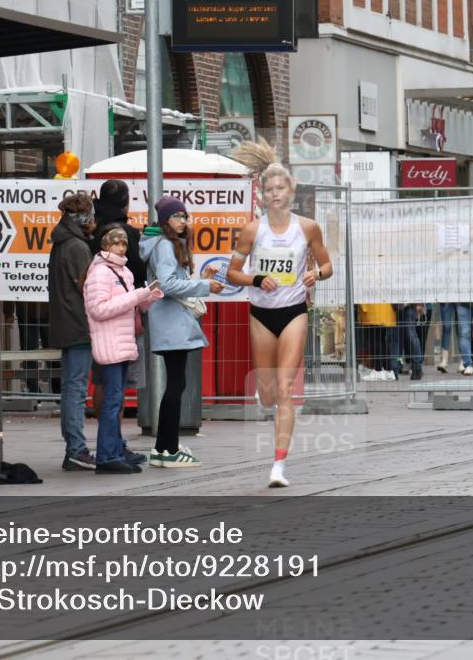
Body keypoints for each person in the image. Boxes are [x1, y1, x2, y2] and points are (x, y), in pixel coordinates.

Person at [228, 138, 333, 488]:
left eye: (280, 188)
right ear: (262, 195)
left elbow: (327, 264)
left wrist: (314, 274)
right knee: (269, 392)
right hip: (260, 313)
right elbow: (233, 274)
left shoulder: (307, 228)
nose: (275, 194)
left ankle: (278, 467)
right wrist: (257, 277)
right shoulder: (252, 230)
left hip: (293, 311)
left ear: (291, 191)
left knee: (286, 390)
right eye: (269, 189)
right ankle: (267, 392)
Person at [140, 196, 224, 468]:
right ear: (165, 220)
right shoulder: (165, 246)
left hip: (170, 321)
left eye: (184, 216)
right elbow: (167, 284)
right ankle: (168, 448)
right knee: (176, 385)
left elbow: (172, 281)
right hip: (170, 321)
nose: (182, 221)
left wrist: (202, 277)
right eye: (176, 216)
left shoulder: (167, 244)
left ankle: (164, 448)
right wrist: (205, 286)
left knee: (176, 384)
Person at [83, 224, 163, 475]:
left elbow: (129, 306)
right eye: (116, 243)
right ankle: (107, 457)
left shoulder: (124, 271)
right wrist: (137, 296)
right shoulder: (99, 273)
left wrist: (148, 297)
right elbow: (99, 309)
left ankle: (115, 451)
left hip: (122, 341)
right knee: (111, 401)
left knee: (116, 401)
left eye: (124, 244)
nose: (121, 247)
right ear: (106, 246)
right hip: (109, 342)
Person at [47, 193, 98, 471]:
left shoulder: (61, 242)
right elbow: (87, 288)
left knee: (70, 387)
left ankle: (73, 448)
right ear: (85, 218)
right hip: (78, 322)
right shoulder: (78, 247)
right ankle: (76, 448)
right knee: (77, 389)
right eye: (92, 215)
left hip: (65, 320)